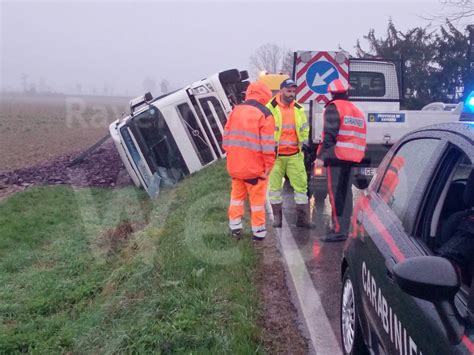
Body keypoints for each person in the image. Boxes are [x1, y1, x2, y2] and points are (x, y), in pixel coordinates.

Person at [314, 79, 367, 242]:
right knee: (345, 195)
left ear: (331, 93)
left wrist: (321, 157)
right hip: (352, 159)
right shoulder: (356, 111)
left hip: (337, 158)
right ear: (346, 92)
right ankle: (343, 228)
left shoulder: (333, 107)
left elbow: (330, 136)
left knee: (337, 194)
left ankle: (338, 230)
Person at [223, 81, 276, 241]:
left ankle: (235, 228)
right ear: (265, 95)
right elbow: (267, 146)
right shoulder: (265, 114)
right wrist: (268, 166)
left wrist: (233, 156)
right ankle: (258, 233)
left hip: (235, 167)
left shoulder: (235, 111)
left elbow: (226, 140)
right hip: (255, 169)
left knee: (236, 198)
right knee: (257, 202)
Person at [267, 78, 314, 229]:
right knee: (274, 189)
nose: (291, 94)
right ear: (281, 91)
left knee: (301, 188)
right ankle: (277, 218)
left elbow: (305, 128)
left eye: (293, 91)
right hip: (276, 156)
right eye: (288, 91)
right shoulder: (270, 108)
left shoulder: (298, 108)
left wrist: (303, 143)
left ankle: (302, 220)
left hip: (295, 155)